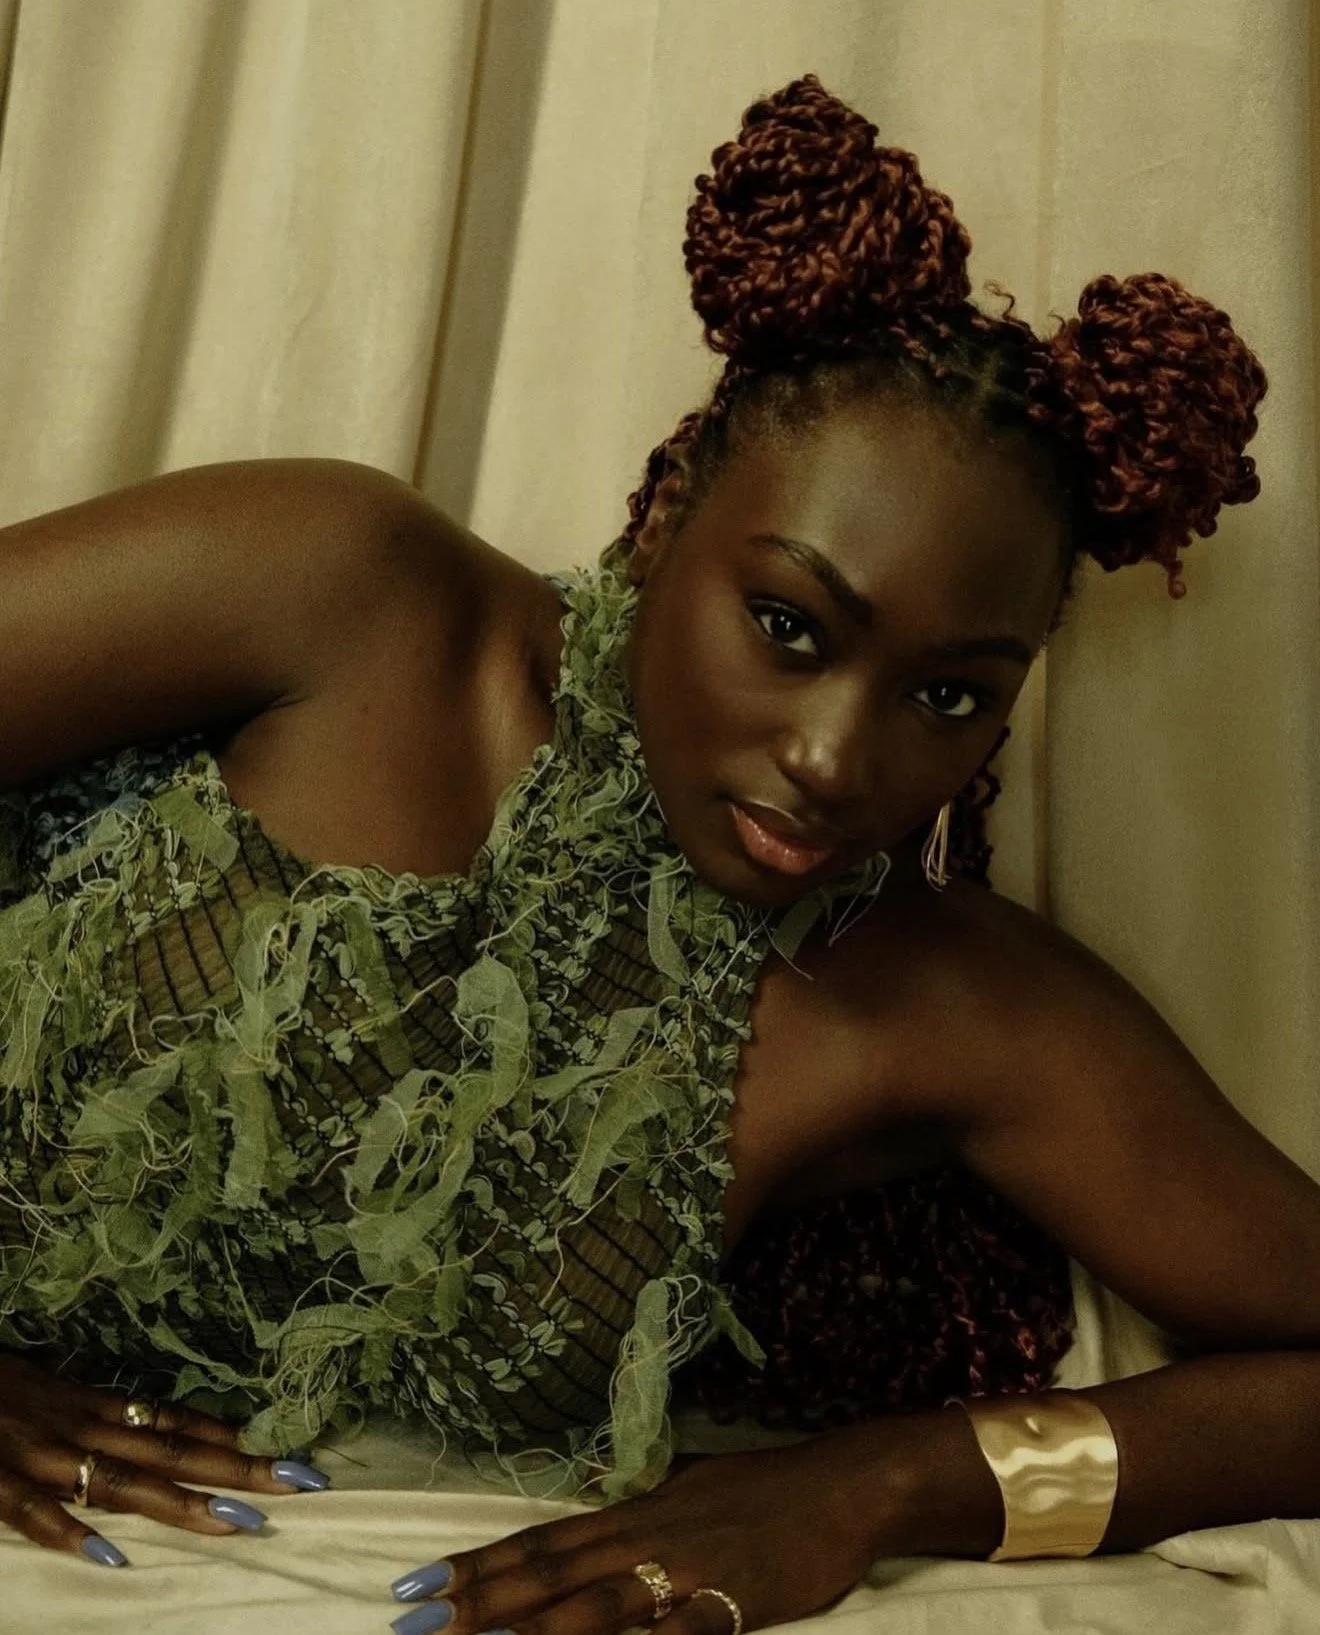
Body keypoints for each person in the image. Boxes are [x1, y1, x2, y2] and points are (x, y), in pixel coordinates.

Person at [0, 70, 1314, 1635]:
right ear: (677, 505)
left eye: (949, 695)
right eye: (788, 624)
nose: (835, 759)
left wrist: (879, 1485)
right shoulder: (345, 597)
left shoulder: (935, 1001)